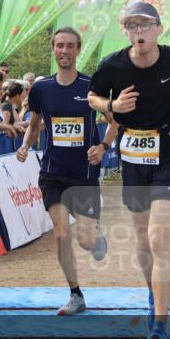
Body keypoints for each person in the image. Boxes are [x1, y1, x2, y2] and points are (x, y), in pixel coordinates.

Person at [88, 2, 170, 339]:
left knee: (157, 236)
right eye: (132, 24)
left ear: (158, 29)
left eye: (146, 24)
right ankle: (154, 295)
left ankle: (160, 328)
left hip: (167, 153)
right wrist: (112, 108)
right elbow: (92, 96)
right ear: (125, 30)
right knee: (141, 239)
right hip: (133, 159)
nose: (139, 31)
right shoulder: (113, 65)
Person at [17, 27, 114, 315]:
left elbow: (115, 120)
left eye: (70, 46)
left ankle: (96, 238)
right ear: (53, 49)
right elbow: (35, 125)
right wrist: (25, 145)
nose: (64, 51)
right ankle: (75, 294)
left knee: (85, 238)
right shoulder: (42, 88)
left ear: (78, 49)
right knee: (61, 234)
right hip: (52, 173)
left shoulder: (91, 87)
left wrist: (104, 147)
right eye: (60, 45)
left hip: (83, 175)